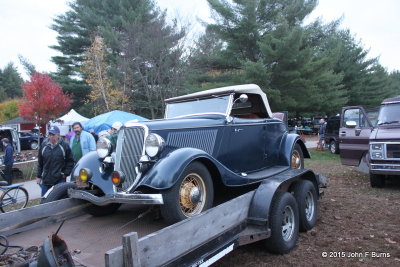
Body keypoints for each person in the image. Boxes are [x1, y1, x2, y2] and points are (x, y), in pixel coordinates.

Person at [36, 126, 74, 196]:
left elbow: (70, 161)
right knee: (44, 200)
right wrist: (39, 176)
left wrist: (65, 173)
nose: (51, 137)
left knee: (58, 201)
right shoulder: (44, 145)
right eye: (49, 135)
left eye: (53, 135)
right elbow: (40, 162)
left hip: (59, 179)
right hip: (46, 179)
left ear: (58, 135)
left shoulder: (64, 146)